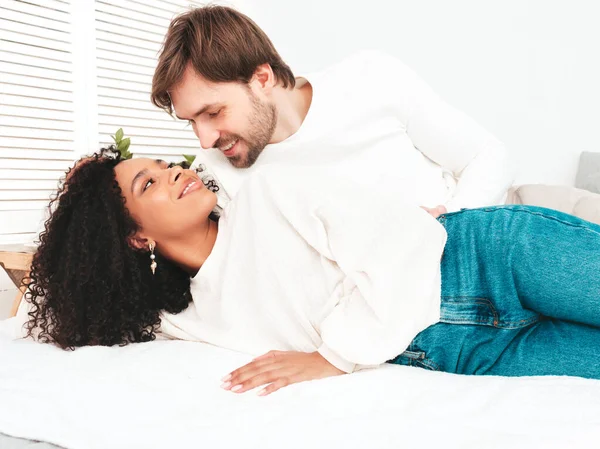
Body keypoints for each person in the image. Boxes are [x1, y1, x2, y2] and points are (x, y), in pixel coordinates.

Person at [12, 148, 600, 397]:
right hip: (459, 354)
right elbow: (87, 306)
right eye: (149, 183)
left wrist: (332, 358)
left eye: (164, 166)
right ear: (136, 237)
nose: (175, 173)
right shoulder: (182, 319)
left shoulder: (269, 193)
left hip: (491, 258)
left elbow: (401, 242)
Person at [151, 5, 514, 218]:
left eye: (213, 113)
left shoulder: (371, 78)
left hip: (479, 237)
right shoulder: (213, 176)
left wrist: (448, 229)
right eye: (191, 122)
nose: (205, 139)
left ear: (262, 79)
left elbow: (487, 156)